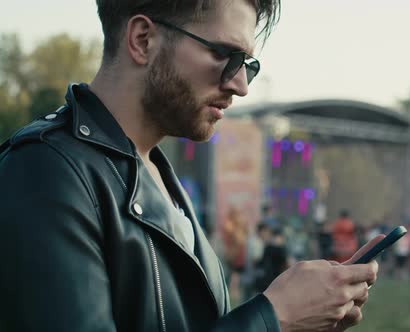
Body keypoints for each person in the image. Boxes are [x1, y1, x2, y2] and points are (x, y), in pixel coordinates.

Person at [0, 1, 385, 331]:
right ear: (142, 40)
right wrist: (272, 318)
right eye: (223, 55)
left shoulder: (164, 181)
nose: (240, 84)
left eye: (247, 64)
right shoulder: (45, 171)